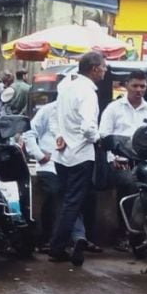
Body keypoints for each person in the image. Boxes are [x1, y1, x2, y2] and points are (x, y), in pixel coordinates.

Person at [51, 51, 106, 266]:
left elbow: (57, 117)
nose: (105, 71)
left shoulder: (66, 86)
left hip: (63, 153)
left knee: (67, 201)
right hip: (81, 154)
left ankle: (72, 240)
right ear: (94, 69)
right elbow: (88, 127)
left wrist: (60, 136)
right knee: (73, 203)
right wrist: (98, 138)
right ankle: (58, 246)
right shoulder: (87, 92)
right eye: (103, 67)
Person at [99, 69, 147, 251]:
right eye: (135, 86)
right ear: (126, 86)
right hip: (118, 159)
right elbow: (104, 136)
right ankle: (124, 233)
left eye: (143, 86)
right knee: (129, 185)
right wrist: (114, 157)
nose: (139, 90)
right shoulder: (114, 108)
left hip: (143, 161)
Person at [23, 100, 85, 252]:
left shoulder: (81, 110)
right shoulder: (49, 110)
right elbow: (29, 133)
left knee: (79, 194)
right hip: (49, 165)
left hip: (72, 163)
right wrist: (39, 155)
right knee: (57, 192)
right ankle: (59, 237)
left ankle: (77, 237)